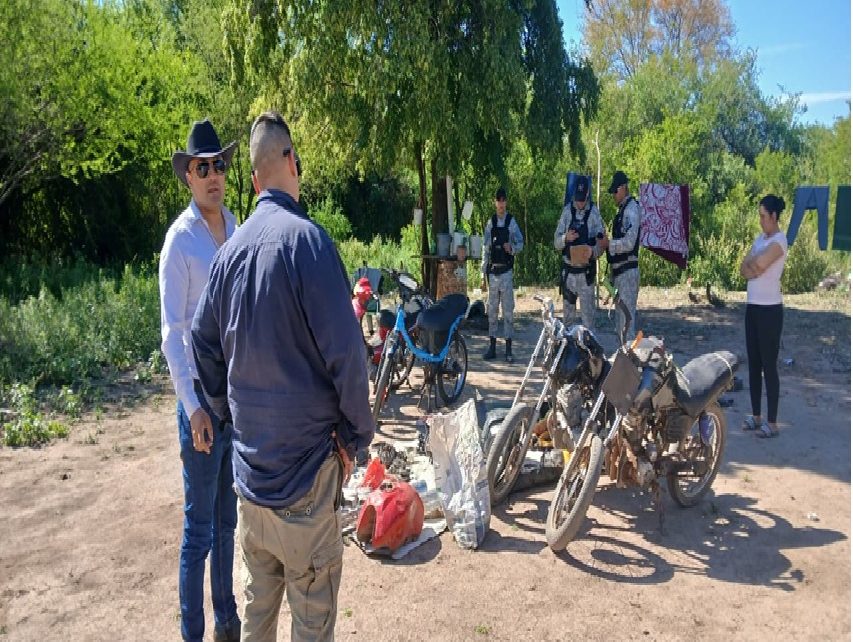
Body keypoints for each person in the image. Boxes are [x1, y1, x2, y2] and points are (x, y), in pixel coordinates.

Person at [191, 110, 374, 641]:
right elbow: (348, 357)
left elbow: (202, 345)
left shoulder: (228, 257)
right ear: (292, 162)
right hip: (305, 485)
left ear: (251, 180)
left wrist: (229, 417)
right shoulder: (309, 244)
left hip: (252, 485)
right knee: (312, 627)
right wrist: (354, 437)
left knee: (257, 621)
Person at [159, 119, 241, 642]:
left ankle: (226, 621)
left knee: (228, 523)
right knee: (198, 534)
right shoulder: (179, 243)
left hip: (233, 401)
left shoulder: (235, 226)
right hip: (201, 409)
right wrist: (192, 408)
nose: (213, 175)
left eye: (219, 166)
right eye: (202, 168)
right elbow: (172, 334)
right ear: (188, 177)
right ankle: (193, 633)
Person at [739, 194, 788, 439]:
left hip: (770, 311)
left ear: (774, 217)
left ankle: (772, 421)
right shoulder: (760, 239)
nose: (760, 221)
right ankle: (756, 415)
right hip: (753, 308)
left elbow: (759, 265)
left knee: (769, 365)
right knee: (754, 363)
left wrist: (754, 265)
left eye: (763, 216)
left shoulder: (780, 241)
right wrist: (752, 265)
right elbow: (745, 267)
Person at [553, 175, 607, 329]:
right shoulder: (567, 212)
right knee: (568, 323)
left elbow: (603, 243)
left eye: (583, 199)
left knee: (588, 323)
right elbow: (556, 242)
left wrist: (593, 251)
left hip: (586, 275)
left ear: (588, 195)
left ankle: (590, 353)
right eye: (578, 199)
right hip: (569, 274)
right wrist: (565, 238)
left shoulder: (594, 214)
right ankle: (569, 352)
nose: (580, 203)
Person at [480, 186, 524, 363]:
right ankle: (492, 346)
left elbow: (520, 243)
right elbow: (485, 248)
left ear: (506, 202)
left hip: (506, 273)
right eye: (498, 200)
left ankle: (508, 349)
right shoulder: (490, 223)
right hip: (493, 273)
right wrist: (482, 273)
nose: (501, 204)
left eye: (503, 200)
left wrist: (511, 248)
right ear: (495, 202)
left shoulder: (511, 222)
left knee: (508, 312)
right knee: (492, 311)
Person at [601, 170, 642, 341]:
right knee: (620, 326)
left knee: (626, 326)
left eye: (615, 191)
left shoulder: (631, 210)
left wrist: (609, 244)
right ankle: (623, 364)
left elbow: (629, 242)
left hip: (627, 272)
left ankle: (630, 365)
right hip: (619, 274)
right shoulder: (622, 211)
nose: (613, 196)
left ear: (624, 188)